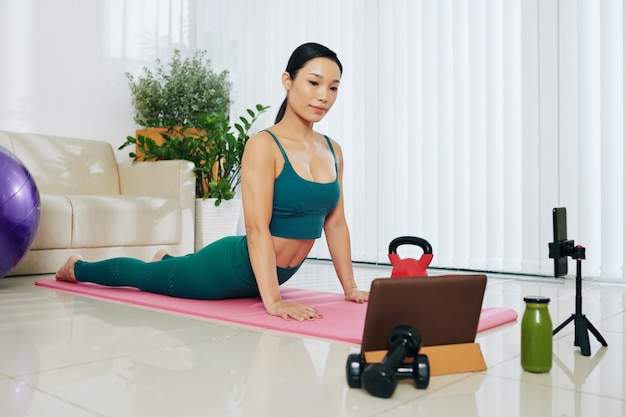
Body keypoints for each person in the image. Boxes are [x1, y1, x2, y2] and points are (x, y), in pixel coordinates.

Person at [56, 42, 369, 321]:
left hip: (277, 273)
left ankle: (167, 260)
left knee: (165, 268)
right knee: (146, 277)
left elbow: (336, 224)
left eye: (333, 88)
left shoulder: (333, 150)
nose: (323, 96)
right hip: (229, 269)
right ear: (287, 81)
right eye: (314, 82)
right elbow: (256, 228)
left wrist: (350, 287)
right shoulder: (264, 146)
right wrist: (272, 301)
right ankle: (77, 268)